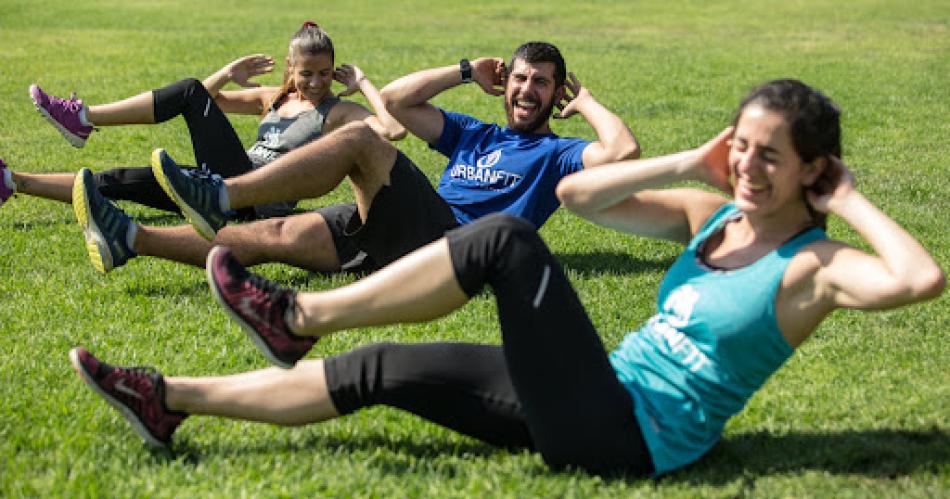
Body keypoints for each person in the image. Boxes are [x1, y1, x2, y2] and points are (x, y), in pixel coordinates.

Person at [73, 79, 941, 477]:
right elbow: (578, 192)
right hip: (594, 394)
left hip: (633, 435)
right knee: (372, 372)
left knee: (507, 243)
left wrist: (849, 198)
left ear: (812, 170)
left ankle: (297, 312)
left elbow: (920, 277)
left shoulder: (814, 269)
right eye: (740, 146)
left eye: (770, 157)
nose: (748, 167)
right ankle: (170, 398)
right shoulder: (711, 216)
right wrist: (692, 159)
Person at [84, 41, 638, 275]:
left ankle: (222, 194)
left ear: (555, 92)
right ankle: (130, 240)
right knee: (274, 236)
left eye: (542, 84)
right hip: (399, 230)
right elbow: (398, 100)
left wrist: (585, 101)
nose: (526, 90)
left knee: (360, 143)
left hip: (451, 239)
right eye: (519, 78)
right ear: (505, 82)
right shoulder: (473, 133)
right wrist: (468, 71)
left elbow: (623, 152)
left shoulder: (555, 154)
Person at [0, 22, 405, 272]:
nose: (316, 83)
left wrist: (364, 84)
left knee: (191, 90)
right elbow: (201, 102)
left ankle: (83, 119)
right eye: (306, 74)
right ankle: (11, 181)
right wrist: (227, 73)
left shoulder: (338, 111)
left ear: (334, 70)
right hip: (217, 184)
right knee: (115, 180)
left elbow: (391, 130)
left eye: (323, 74)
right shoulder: (274, 98)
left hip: (254, 196)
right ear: (289, 68)